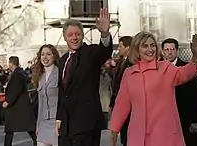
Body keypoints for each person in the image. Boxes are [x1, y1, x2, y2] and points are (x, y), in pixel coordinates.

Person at [109, 32, 197, 146]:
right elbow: (122, 104)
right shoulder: (129, 73)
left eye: (152, 45)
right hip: (138, 135)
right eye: (145, 46)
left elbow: (184, 73)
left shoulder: (165, 67)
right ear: (137, 49)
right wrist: (114, 128)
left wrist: (196, 59)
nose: (150, 49)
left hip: (164, 135)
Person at [56, 8, 113, 146]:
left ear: (82, 35)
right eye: (70, 35)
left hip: (87, 124)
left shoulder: (90, 53)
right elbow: (62, 92)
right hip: (66, 126)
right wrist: (59, 118)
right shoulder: (62, 60)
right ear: (64, 37)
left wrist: (105, 33)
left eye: (78, 34)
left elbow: (104, 50)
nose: (74, 38)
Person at [162, 38, 197, 146]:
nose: (169, 52)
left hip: (186, 120)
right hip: (166, 122)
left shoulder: (189, 68)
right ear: (162, 51)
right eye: (166, 49)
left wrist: (196, 120)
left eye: (172, 49)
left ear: (177, 50)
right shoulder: (157, 70)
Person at [3, 56, 36, 146]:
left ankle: (38, 142)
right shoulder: (17, 73)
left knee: (29, 128)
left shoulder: (18, 73)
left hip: (18, 106)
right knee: (11, 130)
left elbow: (16, 88)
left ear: (11, 63)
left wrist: (8, 101)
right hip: (16, 106)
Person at [32, 44, 60, 146]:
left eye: (48, 54)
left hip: (56, 122)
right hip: (43, 123)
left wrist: (60, 120)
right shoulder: (40, 77)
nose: (45, 57)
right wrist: (38, 124)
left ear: (54, 56)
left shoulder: (60, 74)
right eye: (42, 54)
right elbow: (41, 103)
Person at [109, 36, 133, 146]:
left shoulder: (132, 63)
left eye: (120, 46)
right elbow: (116, 83)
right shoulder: (120, 61)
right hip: (118, 102)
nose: (118, 49)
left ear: (128, 47)